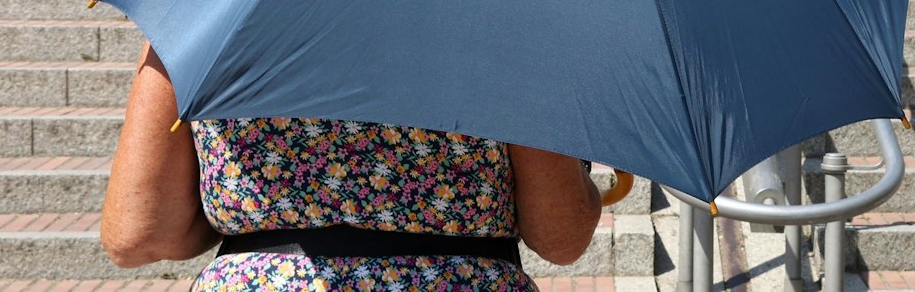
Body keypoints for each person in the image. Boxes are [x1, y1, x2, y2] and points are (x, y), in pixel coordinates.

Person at [101, 41, 604, 289]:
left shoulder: (209, 3)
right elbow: (561, 236)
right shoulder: (501, 11)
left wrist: (256, 221)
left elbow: (139, 232)